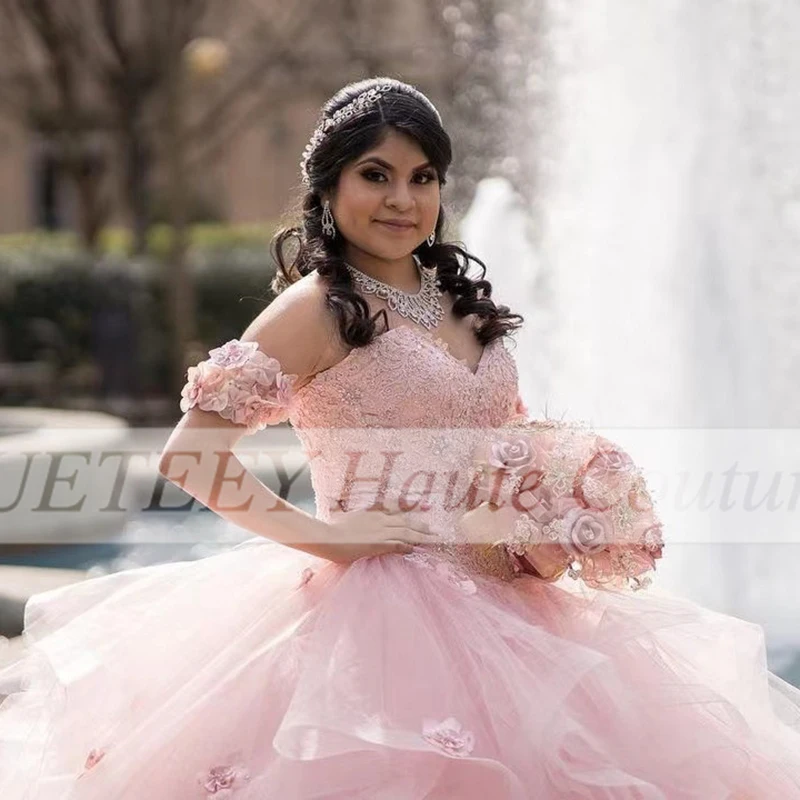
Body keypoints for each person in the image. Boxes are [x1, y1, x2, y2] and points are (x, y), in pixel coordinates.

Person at [1, 77, 800, 799]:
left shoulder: (454, 297)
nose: (401, 200)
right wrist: (325, 539)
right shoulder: (316, 310)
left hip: (511, 603)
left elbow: (501, 441)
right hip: (380, 622)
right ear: (329, 186)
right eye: (375, 175)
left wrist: (550, 515)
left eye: (422, 178)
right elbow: (192, 457)